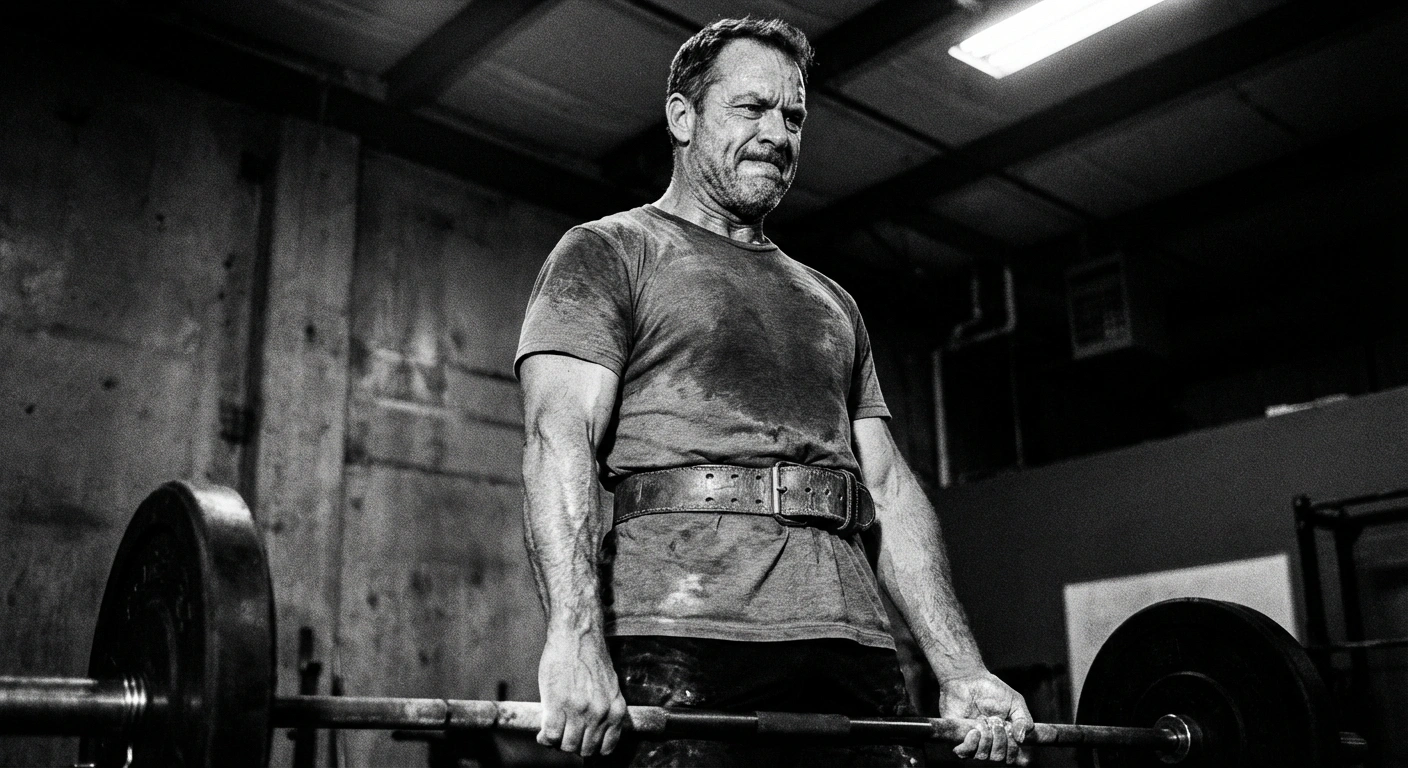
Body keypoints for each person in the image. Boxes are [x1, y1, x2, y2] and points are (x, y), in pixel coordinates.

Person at [515, 17, 1033, 767]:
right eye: (751, 108)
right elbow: (556, 436)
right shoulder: (610, 251)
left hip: (853, 643)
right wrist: (573, 636)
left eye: (793, 116)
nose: (777, 134)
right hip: (681, 631)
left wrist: (961, 670)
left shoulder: (831, 301)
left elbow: (887, 488)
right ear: (683, 117)